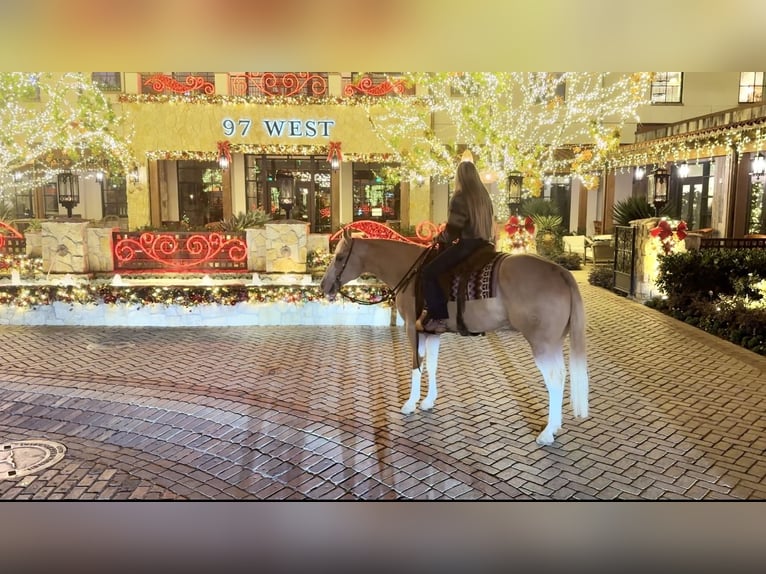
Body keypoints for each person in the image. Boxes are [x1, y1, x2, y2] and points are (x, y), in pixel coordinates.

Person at [416, 159, 495, 334]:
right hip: (485, 244)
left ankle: (438, 318)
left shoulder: (461, 197)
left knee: (428, 272)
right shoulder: (484, 196)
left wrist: (438, 237)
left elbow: (453, 231)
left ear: (460, 177)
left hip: (467, 245)